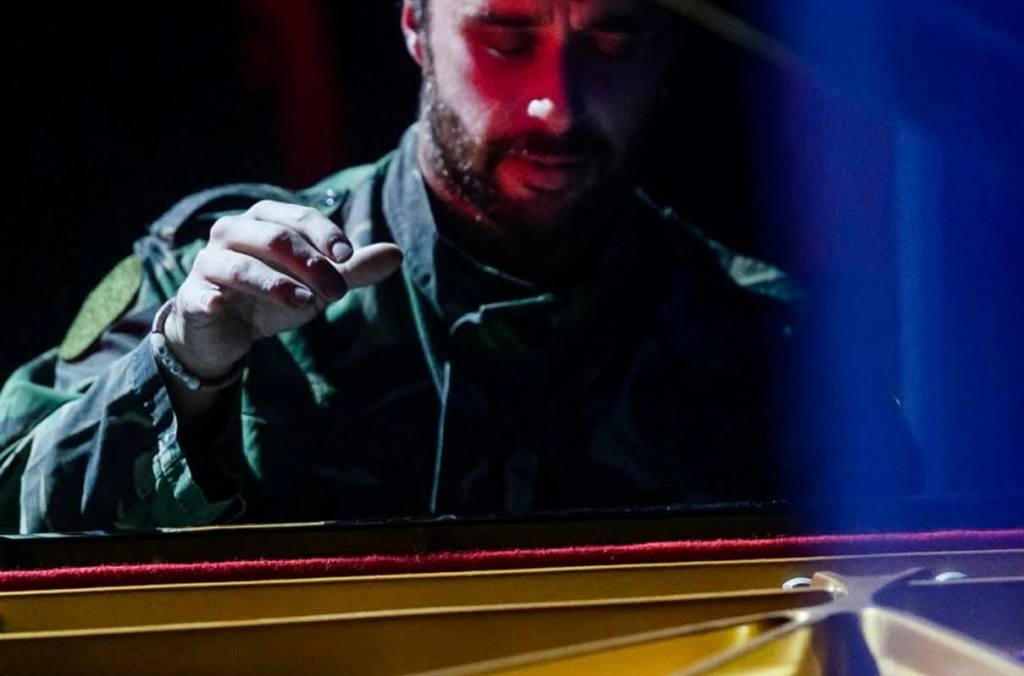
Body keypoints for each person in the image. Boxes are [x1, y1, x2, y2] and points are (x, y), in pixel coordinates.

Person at [0, 0, 913, 534]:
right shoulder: (220, 280)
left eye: (611, 42)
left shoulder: (777, 347)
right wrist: (184, 374)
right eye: (505, 39)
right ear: (416, 27)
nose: (558, 105)